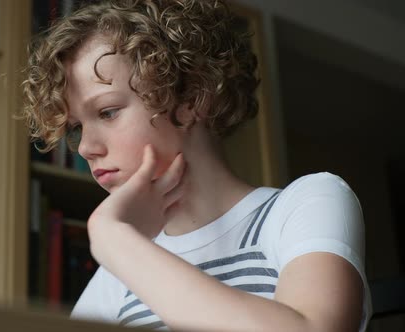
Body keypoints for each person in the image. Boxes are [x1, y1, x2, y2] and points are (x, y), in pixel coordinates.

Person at [21, 0, 371, 331]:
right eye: (77, 128)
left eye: (108, 112)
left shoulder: (303, 204)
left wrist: (111, 238)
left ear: (191, 98)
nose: (85, 147)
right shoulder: (118, 272)